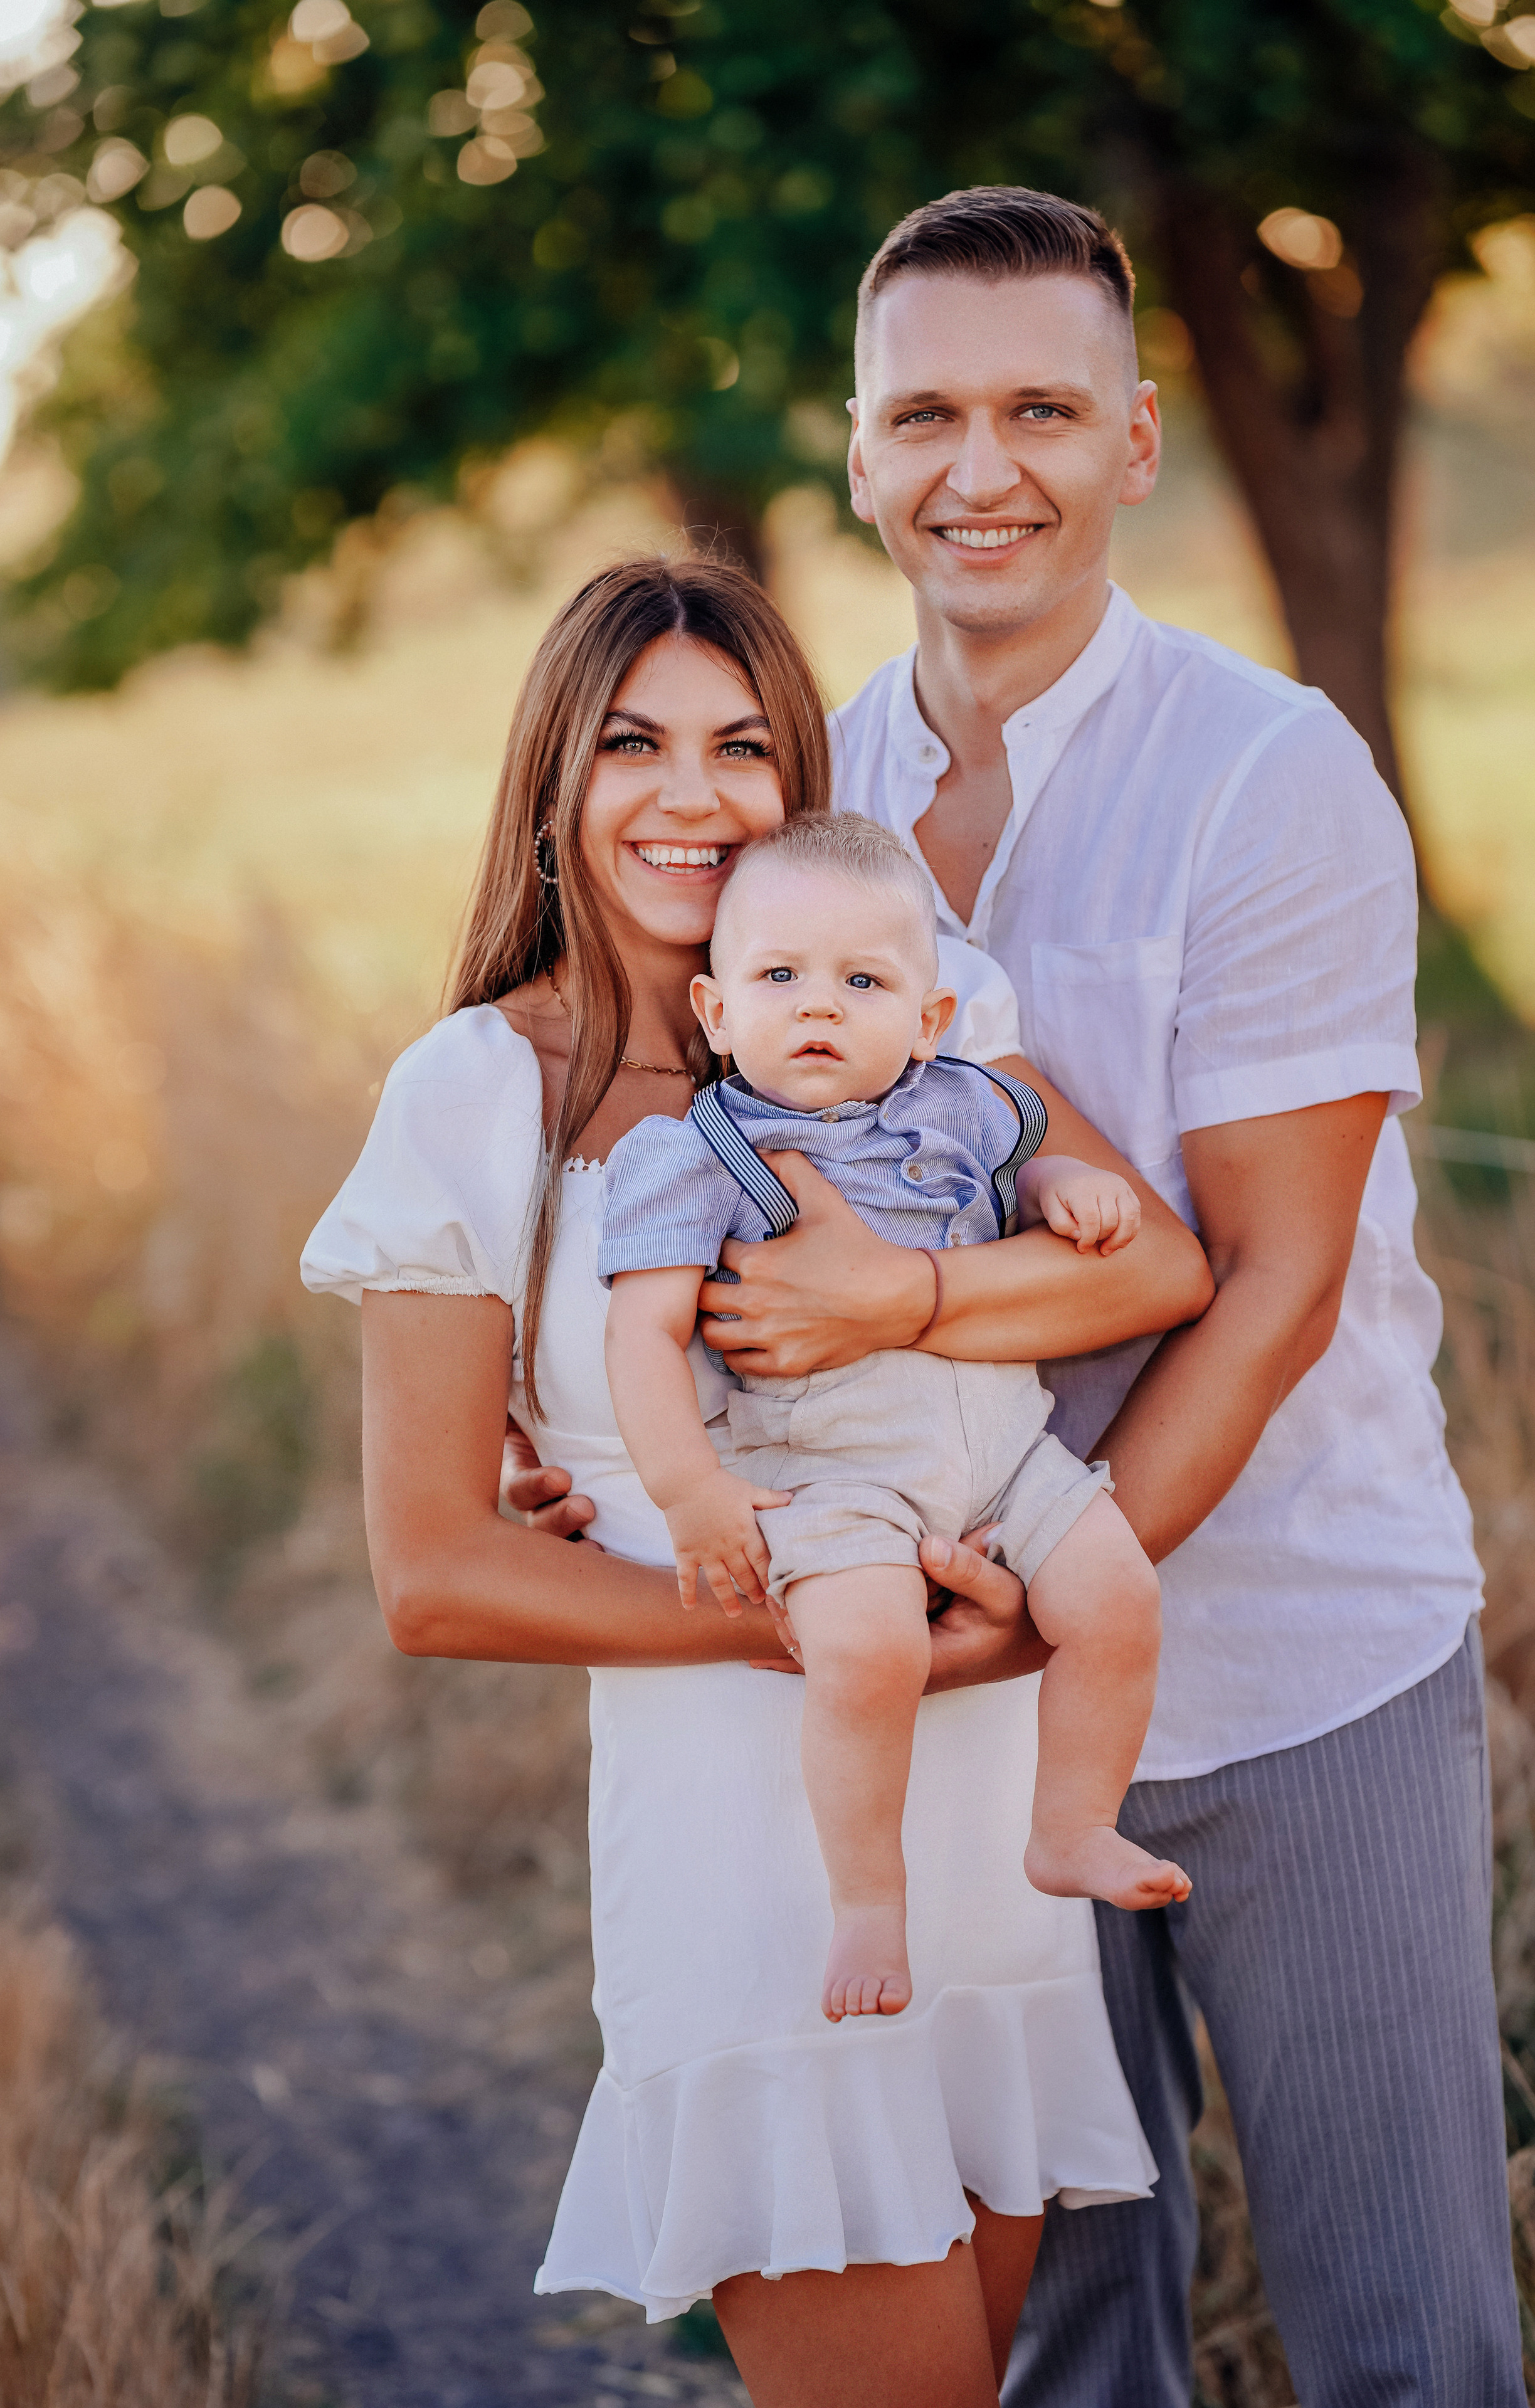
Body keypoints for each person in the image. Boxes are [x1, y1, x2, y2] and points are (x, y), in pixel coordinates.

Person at [302, 556, 1213, 2407]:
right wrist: (803, 1635)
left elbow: (1153, 1267)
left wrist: (917, 1298)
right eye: (634, 743)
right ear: (555, 776)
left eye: (742, 747)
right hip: (756, 1871)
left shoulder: (907, 1002)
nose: (694, 796)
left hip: (984, 1859)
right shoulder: (473, 1097)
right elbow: (437, 1575)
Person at [801, 182, 1517, 2404]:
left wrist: (1050, 1598)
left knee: (1407, 2337)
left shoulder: (1270, 773)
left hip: (1302, 1657)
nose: (978, 467)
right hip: (962, 1692)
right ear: (856, 452)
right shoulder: (806, 784)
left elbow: (1282, 1281)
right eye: (926, 414)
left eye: (1041, 407)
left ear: (1133, 441)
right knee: (1066, 2346)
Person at [601, 811, 1188, 2027]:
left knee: (1117, 1599)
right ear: (716, 1013)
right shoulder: (698, 1153)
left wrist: (1061, 1183)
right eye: (778, 978)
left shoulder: (965, 1105)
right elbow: (642, 1333)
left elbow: (1018, 1180)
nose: (818, 1007)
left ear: (926, 1022)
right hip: (835, 1470)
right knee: (868, 1652)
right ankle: (868, 1900)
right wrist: (687, 1491)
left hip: (1001, 1452)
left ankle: (1071, 1824)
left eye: (860, 981)